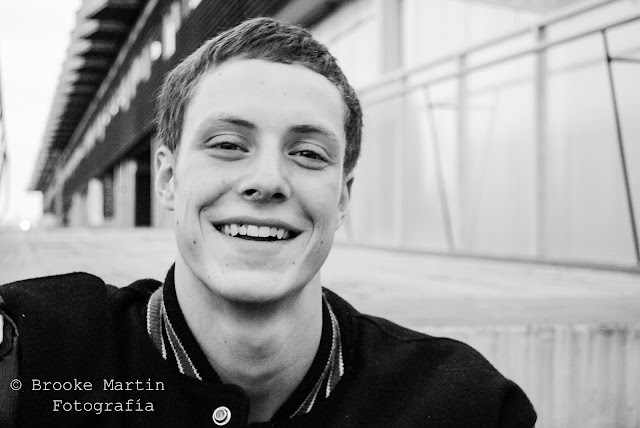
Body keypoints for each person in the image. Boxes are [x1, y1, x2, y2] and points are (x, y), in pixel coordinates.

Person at [0, 17, 536, 427]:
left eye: (308, 154)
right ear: (167, 178)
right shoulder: (37, 357)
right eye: (228, 144)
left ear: (343, 198)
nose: (267, 180)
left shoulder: (464, 405)